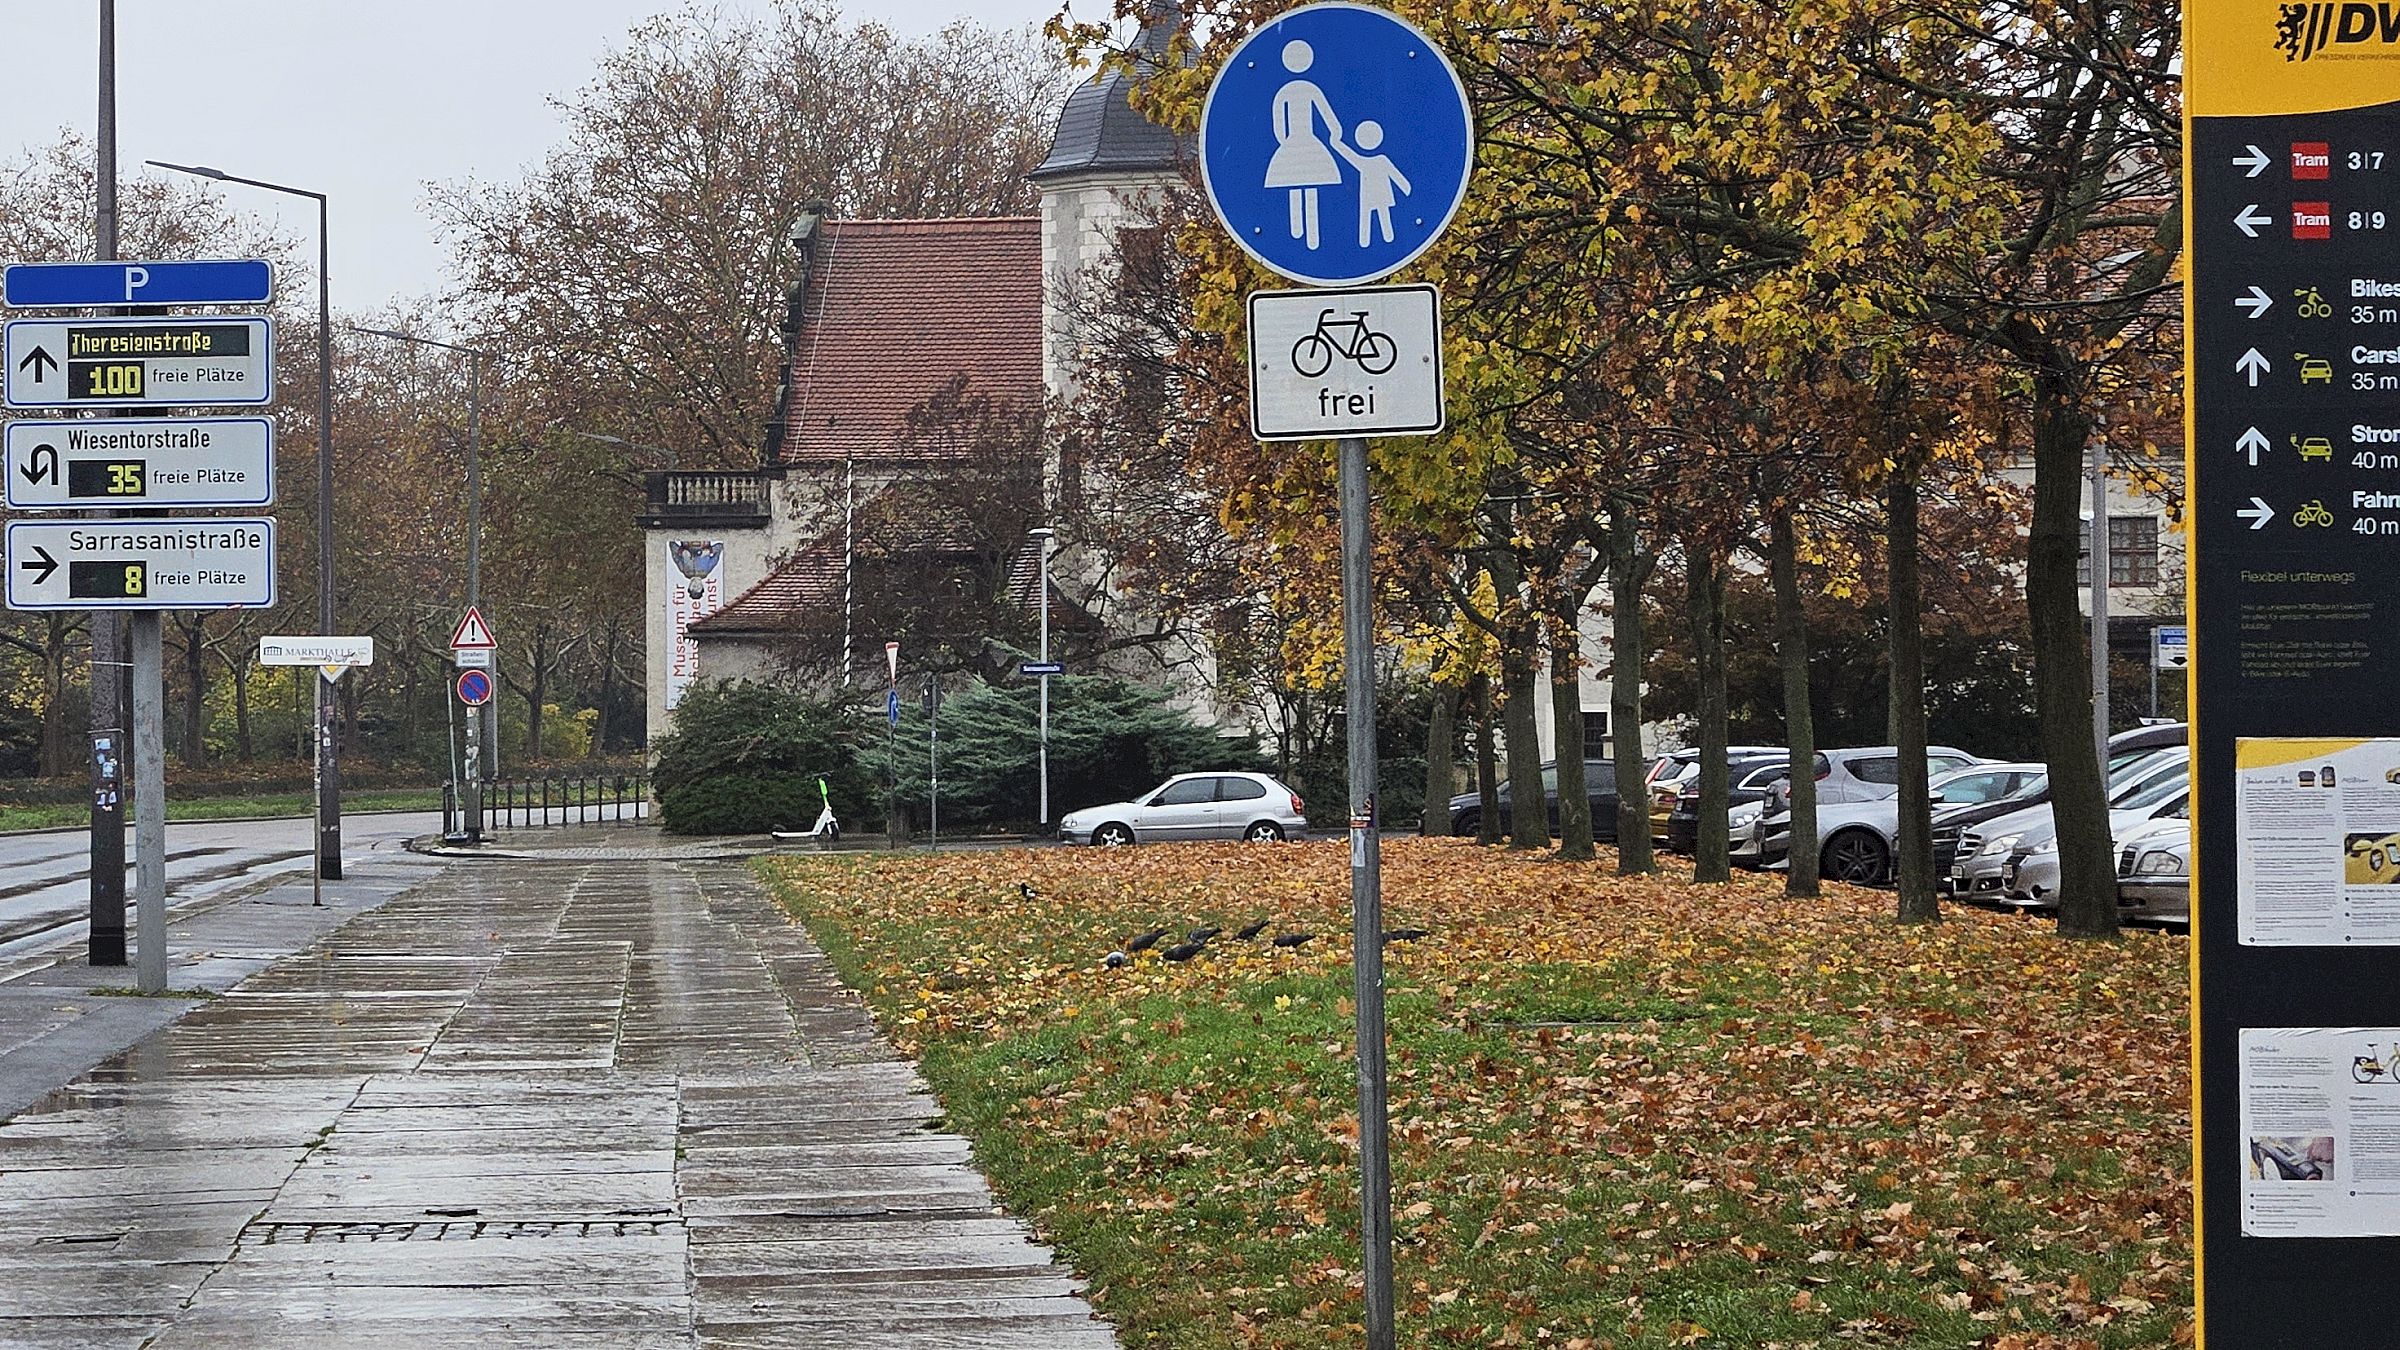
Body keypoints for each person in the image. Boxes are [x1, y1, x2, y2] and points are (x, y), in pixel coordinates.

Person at [1265, 40, 1343, 250]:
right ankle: (1304, 234)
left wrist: (1285, 142)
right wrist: (1335, 131)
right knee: (1306, 184)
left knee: (1297, 183)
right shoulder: (1306, 89)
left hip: (1296, 143)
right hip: (1306, 142)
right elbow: (1327, 115)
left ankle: (1302, 232)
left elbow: (1279, 124)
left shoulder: (1288, 91)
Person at [1333, 120, 1411, 247]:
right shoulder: (1376, 160)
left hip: (1375, 193)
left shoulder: (1373, 161)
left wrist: (1405, 187)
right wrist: (1337, 144)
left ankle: (1376, 240)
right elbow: (1350, 155)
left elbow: (1394, 174)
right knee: (1372, 215)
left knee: (1375, 215)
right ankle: (1368, 241)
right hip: (1373, 194)